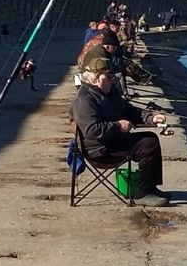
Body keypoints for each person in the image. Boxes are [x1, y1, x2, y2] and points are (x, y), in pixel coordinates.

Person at [70, 56, 170, 207]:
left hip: (114, 140)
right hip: (100, 149)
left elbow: (129, 111)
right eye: (109, 77)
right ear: (97, 78)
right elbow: (92, 130)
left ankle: (151, 188)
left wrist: (151, 118)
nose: (113, 80)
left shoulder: (110, 92)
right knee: (148, 145)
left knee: (150, 138)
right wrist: (118, 125)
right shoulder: (83, 100)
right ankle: (142, 194)